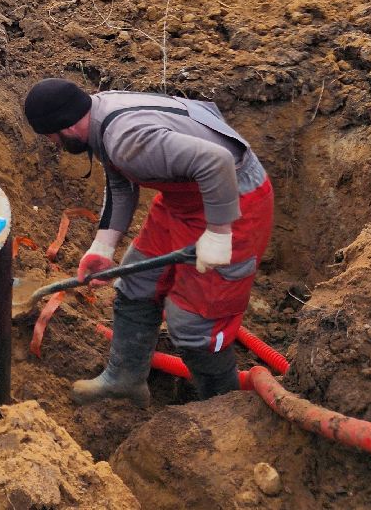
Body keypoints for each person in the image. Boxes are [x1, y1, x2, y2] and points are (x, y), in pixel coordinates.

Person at [22, 79, 274, 404]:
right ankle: (124, 380)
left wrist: (218, 232)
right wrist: (103, 247)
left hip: (233, 201)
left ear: (67, 126)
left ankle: (224, 410)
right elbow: (120, 179)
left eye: (51, 137)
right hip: (183, 199)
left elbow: (217, 162)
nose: (54, 144)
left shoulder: (126, 138)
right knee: (135, 281)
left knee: (194, 325)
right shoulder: (98, 114)